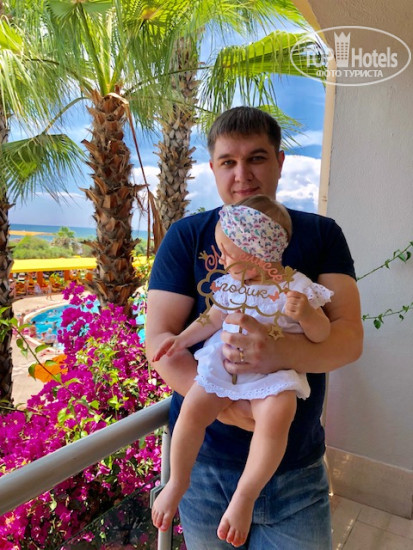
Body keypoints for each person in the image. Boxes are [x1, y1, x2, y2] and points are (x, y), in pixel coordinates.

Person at [146, 106, 363, 549]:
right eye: (228, 161)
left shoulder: (320, 236)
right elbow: (162, 342)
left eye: (257, 158)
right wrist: (230, 407)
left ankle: (245, 491)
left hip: (295, 470)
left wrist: (277, 354)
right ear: (212, 168)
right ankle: (179, 481)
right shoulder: (187, 235)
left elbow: (348, 339)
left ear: (280, 162)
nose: (242, 174)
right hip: (204, 468)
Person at [151, 197, 333, 546]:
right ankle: (177, 480)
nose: (220, 259)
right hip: (226, 365)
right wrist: (180, 340)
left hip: (272, 375)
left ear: (255, 252)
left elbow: (322, 334)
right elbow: (210, 320)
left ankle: (245, 496)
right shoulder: (231, 285)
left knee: (278, 414)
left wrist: (308, 315)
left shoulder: (296, 288)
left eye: (226, 251)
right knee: (192, 408)